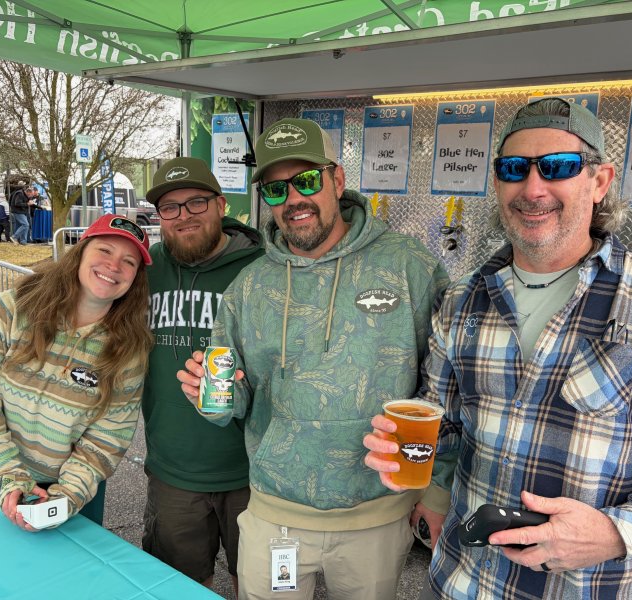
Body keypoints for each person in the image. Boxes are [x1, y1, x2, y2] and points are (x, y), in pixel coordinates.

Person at [364, 98, 632, 599]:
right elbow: (447, 429)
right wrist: (408, 455)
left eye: (559, 167)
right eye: (514, 169)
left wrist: (619, 532)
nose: (533, 187)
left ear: (600, 181)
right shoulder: (462, 300)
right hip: (464, 581)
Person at [178, 117, 450, 600]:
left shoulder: (409, 266)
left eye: (306, 181)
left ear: (337, 180)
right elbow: (230, 403)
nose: (294, 200)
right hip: (274, 514)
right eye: (277, 190)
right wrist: (210, 397)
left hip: (377, 512)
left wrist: (437, 488)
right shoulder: (250, 286)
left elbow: (446, 385)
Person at [0, 214, 154, 531]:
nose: (114, 266)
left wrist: (67, 496)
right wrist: (8, 481)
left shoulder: (128, 349)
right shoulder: (11, 310)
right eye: (104, 250)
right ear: (80, 252)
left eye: (128, 261)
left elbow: (108, 436)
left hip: (76, 490)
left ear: (136, 278)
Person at [141, 157, 264, 594]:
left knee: (257, 583)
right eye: (169, 207)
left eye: (196, 202)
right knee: (182, 586)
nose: (183, 215)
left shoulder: (262, 267)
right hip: (174, 470)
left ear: (219, 204)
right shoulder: (143, 268)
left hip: (254, 471)